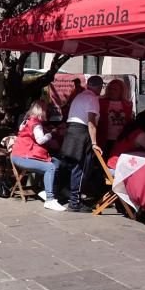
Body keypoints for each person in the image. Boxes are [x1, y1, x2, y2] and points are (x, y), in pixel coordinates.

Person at [59, 75, 104, 212]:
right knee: (82, 167)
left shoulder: (80, 96)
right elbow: (91, 121)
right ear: (100, 87)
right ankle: (74, 202)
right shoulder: (92, 98)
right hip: (82, 134)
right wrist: (95, 142)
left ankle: (70, 195)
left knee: (74, 166)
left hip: (72, 131)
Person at [10, 100, 64, 212]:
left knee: (56, 162)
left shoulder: (26, 121)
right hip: (23, 157)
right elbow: (40, 140)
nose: (47, 113)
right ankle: (49, 199)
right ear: (41, 111)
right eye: (46, 110)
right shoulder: (36, 124)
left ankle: (47, 190)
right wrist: (51, 134)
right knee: (50, 167)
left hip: (17, 155)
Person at [97, 79, 133, 151]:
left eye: (115, 89)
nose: (112, 91)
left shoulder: (127, 104)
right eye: (110, 89)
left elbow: (129, 121)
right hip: (104, 139)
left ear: (121, 91)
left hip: (121, 139)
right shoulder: (100, 102)